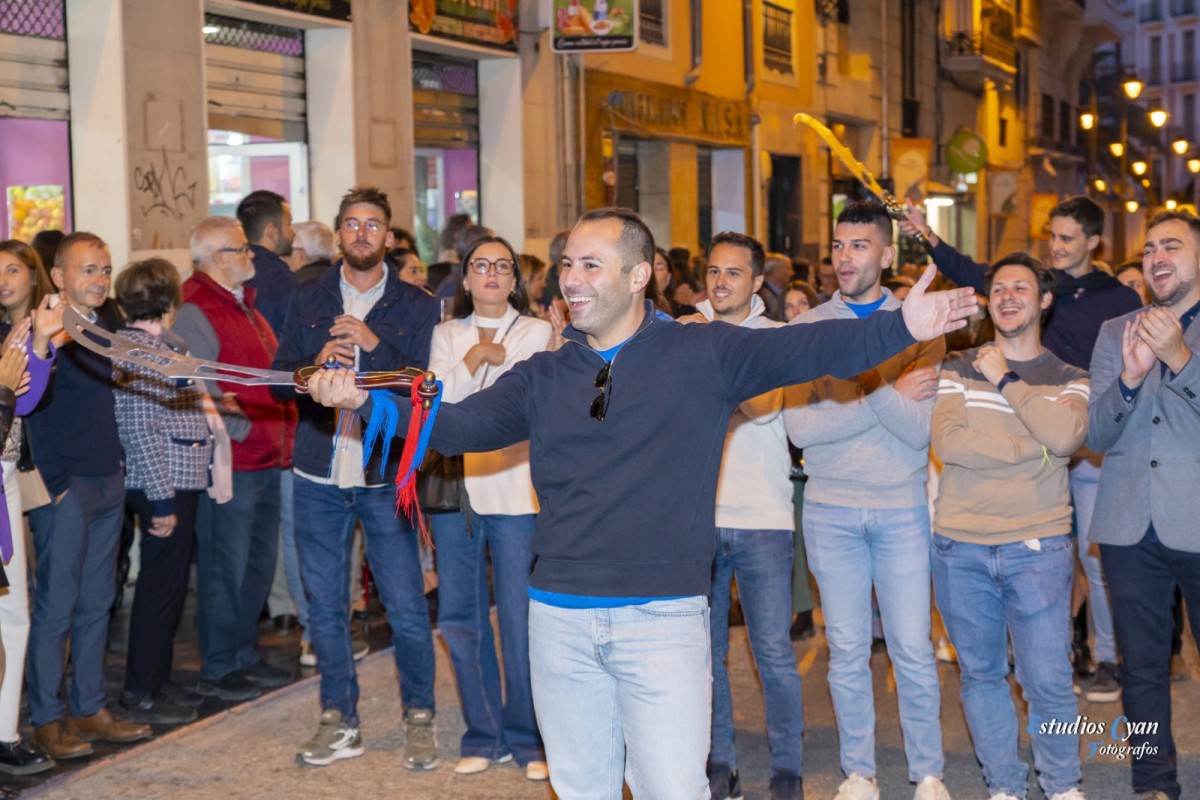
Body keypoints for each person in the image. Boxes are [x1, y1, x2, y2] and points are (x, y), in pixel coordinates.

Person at [306, 206, 977, 800]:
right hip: (559, 620)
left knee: (671, 789)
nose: (571, 279)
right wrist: (365, 398)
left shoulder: (701, 351)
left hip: (662, 619)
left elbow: (804, 347)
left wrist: (899, 327)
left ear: (638, 276)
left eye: (591, 265)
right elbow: (456, 425)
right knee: (581, 789)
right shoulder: (544, 373)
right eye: (567, 264)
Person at [902, 196, 1141, 704]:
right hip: (1026, 443)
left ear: (1094, 242)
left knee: (1093, 559)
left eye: (1067, 238)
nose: (1056, 246)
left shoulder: (1116, 298)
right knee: (989, 663)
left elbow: (1080, 423)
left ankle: (1105, 656)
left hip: (1082, 430)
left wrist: (1034, 403)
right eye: (1052, 236)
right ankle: (1064, 645)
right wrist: (925, 233)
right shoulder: (1005, 304)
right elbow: (967, 269)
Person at [783, 202, 949, 800]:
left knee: (912, 650)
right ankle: (859, 772)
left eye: (859, 245)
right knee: (847, 650)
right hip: (829, 509)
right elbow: (800, 430)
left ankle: (928, 773)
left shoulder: (918, 323)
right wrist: (887, 389)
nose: (844, 256)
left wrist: (861, 387)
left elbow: (919, 432)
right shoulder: (808, 328)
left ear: (886, 253)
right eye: (838, 245)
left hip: (901, 508)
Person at [271, 187, 440, 770]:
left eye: (373, 224)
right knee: (324, 606)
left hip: (382, 472)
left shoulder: (418, 304)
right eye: (351, 223)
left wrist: (374, 345)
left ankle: (420, 715)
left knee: (405, 603)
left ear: (389, 236)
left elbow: (423, 387)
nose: (362, 233)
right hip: (317, 470)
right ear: (339, 233)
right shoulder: (307, 295)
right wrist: (312, 368)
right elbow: (279, 377)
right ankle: (339, 718)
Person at [930, 252, 1090, 800]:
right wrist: (1032, 449)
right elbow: (949, 442)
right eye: (998, 288)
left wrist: (1004, 378)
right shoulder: (956, 365)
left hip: (1037, 545)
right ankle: (1003, 787)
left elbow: (1065, 437)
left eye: (1020, 287)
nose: (1007, 297)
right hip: (960, 546)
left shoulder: (1071, 376)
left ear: (1044, 301)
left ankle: (1062, 785)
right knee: (980, 675)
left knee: (1047, 679)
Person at [684, 232, 804, 800]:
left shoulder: (774, 337)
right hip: (699, 517)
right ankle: (720, 763)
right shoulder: (685, 331)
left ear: (757, 282)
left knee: (773, 653)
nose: (720, 282)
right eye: (713, 271)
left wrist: (710, 346)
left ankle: (787, 769)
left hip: (763, 516)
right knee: (706, 656)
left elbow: (762, 404)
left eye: (733, 273)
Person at [428, 235, 551, 781]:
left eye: (503, 265)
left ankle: (528, 737)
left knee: (521, 620)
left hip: (515, 490)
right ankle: (483, 733)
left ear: (516, 279)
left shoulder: (536, 332)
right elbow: (435, 405)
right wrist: (476, 358)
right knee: (460, 617)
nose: (492, 274)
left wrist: (461, 379)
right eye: (481, 265)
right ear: (466, 278)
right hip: (455, 492)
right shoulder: (446, 334)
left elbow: (516, 404)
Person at [1086, 210, 1200, 800]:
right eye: (1150, 248)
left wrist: (1181, 359)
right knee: (1142, 667)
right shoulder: (1115, 331)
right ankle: (1153, 782)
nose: (1157, 257)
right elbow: (1095, 434)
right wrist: (1129, 381)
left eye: (1172, 246)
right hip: (1129, 525)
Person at [27, 233, 151, 759]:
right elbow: (27, 410)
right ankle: (46, 719)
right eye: (87, 270)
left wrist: (119, 467)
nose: (99, 280)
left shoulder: (104, 327)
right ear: (59, 277)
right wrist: (56, 486)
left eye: (104, 269)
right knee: (56, 607)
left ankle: (89, 707)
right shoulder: (43, 331)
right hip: (66, 488)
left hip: (107, 479)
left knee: (99, 601)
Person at [174, 217, 290, 702]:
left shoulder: (242, 304)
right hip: (232, 460)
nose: (251, 256)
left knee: (257, 563)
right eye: (242, 249)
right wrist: (241, 427)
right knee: (226, 565)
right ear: (217, 258)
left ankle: (243, 651)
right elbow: (201, 385)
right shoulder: (196, 308)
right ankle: (219, 663)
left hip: (265, 454)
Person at [112, 259, 211, 726]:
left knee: (169, 590)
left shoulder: (159, 344)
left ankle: (157, 679)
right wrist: (162, 499)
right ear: (171, 299)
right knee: (157, 590)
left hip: (175, 477)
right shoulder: (138, 350)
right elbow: (139, 429)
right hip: (162, 482)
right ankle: (140, 692)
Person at [0, 242, 60, 778]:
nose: (2, 280)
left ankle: (5, 733)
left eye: (11, 269)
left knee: (15, 612)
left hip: (6, 480)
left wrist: (39, 341)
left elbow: (25, 401)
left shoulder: (13, 332)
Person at [238, 189, 298, 336]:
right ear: (272, 231)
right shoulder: (281, 279)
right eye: (289, 224)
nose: (293, 231)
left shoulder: (232, 272)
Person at [757, 252, 793, 322]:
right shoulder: (762, 294)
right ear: (775, 270)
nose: (792, 273)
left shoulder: (781, 291)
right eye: (788, 268)